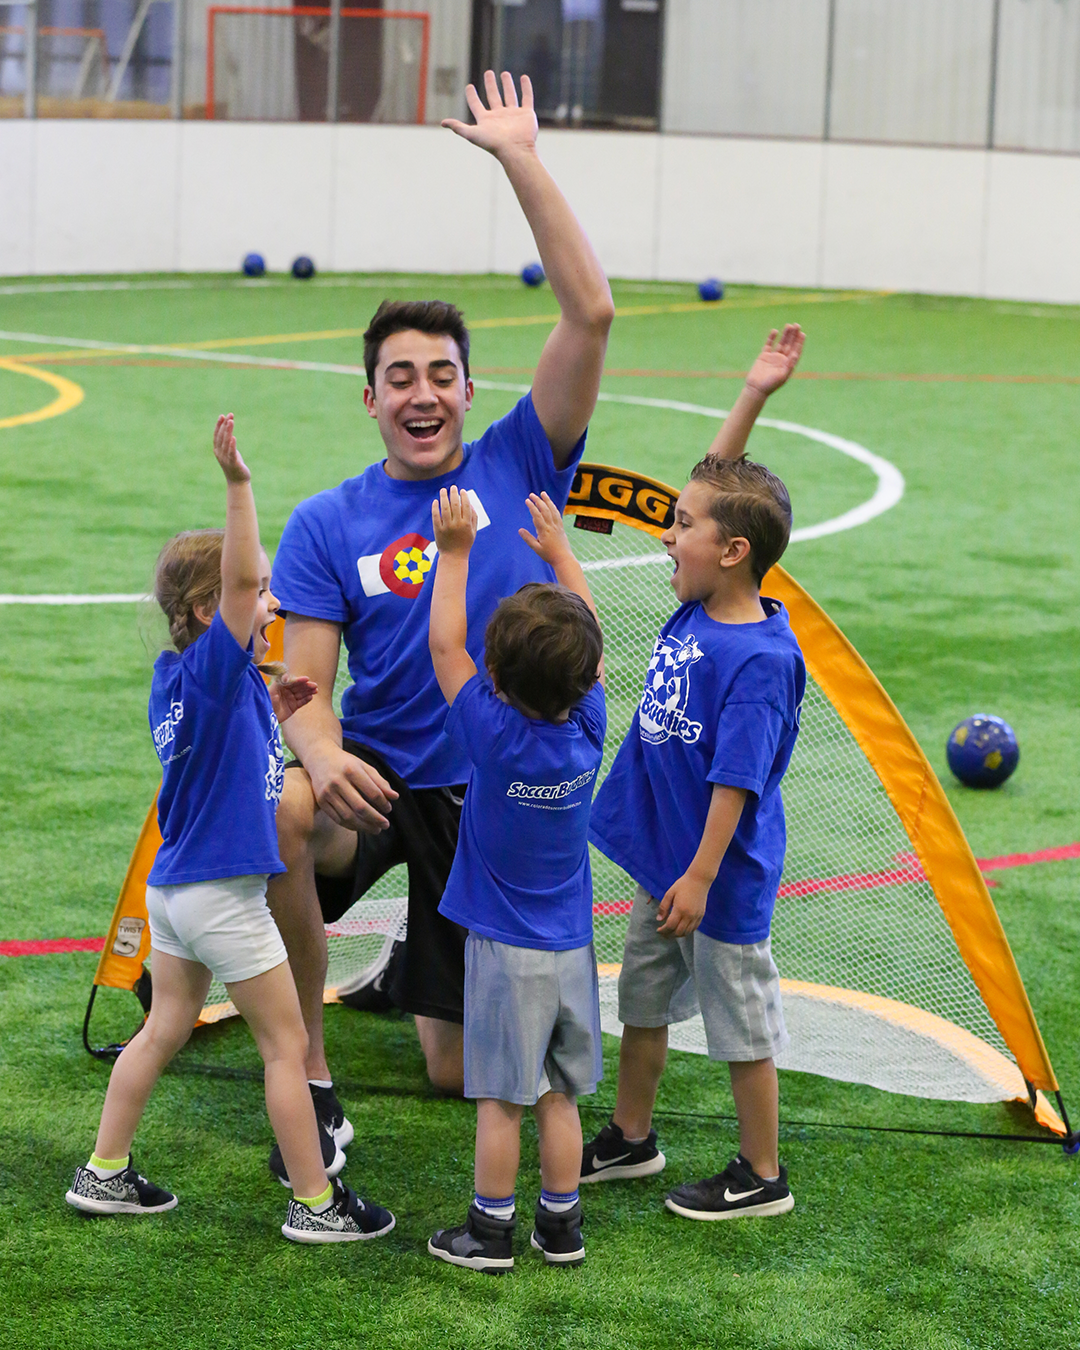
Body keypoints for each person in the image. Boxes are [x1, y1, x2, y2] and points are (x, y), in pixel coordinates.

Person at [266, 68, 614, 1158]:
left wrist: (521, 158)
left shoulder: (524, 455)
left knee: (461, 1071)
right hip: (378, 775)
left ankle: (407, 964)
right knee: (279, 806)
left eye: (442, 374)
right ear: (370, 398)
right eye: (400, 376)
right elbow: (302, 686)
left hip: (487, 792)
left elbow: (590, 311)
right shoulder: (328, 520)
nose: (423, 392)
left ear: (472, 389)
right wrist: (320, 757)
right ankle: (307, 1067)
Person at [65, 415, 394, 1245]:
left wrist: (269, 711)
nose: (272, 602)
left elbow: (219, 735)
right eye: (259, 593)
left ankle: (103, 1172)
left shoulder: (184, 678)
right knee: (286, 1048)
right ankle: (318, 1206)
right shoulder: (220, 660)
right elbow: (243, 591)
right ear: (215, 608)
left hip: (173, 891)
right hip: (221, 896)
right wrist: (240, 486)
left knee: (163, 1027)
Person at [580, 325, 808, 1220]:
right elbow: (721, 476)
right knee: (642, 1001)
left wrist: (702, 876)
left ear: (732, 553)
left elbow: (737, 781)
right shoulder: (701, 599)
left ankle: (761, 1173)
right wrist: (752, 391)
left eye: (680, 527)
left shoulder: (755, 658)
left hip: (713, 879)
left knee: (740, 1025)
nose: (667, 536)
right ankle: (633, 1137)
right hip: (664, 865)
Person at [424, 488, 605, 1271]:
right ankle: (560, 1227)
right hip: (573, 951)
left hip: (505, 952)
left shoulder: (493, 735)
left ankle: (489, 1231)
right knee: (558, 1096)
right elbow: (587, 645)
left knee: (501, 1099)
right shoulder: (590, 728)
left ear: (495, 676)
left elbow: (442, 649)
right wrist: (563, 554)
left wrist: (456, 552)